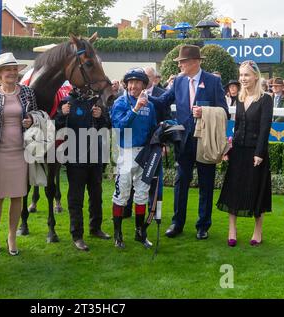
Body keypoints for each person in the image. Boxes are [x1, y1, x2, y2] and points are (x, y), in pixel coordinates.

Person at [150, 45, 228, 240]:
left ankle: (203, 226)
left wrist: (205, 113)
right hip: (183, 141)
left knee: (206, 183)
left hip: (205, 141)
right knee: (180, 182)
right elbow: (164, 101)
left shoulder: (213, 81)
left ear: (195, 62)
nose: (180, 65)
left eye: (182, 62)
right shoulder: (178, 81)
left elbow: (224, 111)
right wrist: (145, 97)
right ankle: (177, 223)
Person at [217, 60, 273, 247]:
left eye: (246, 75)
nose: (243, 78)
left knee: (257, 191)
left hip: (256, 154)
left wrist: (259, 153)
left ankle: (258, 231)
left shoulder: (266, 99)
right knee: (234, 189)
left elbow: (265, 129)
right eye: (241, 75)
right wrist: (228, 149)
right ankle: (232, 229)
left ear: (256, 76)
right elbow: (238, 127)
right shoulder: (240, 98)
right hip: (238, 151)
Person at [0, 53, 37, 256]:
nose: (12, 73)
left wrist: (31, 120)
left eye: (15, 69)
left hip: (20, 151)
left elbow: (36, 114)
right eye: (8, 69)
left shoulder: (27, 92)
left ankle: (11, 236)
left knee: (18, 195)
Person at [54, 91, 111, 251]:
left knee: (96, 195)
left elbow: (107, 126)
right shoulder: (67, 101)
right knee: (76, 198)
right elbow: (56, 127)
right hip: (75, 157)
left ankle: (96, 228)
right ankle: (77, 235)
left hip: (96, 157)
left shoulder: (98, 100)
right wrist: (61, 114)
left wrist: (100, 117)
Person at [111, 68, 157, 249]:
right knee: (121, 193)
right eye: (130, 82)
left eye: (137, 82)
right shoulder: (120, 103)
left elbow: (152, 128)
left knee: (142, 193)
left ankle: (140, 232)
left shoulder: (150, 105)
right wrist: (136, 108)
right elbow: (119, 126)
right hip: (126, 152)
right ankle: (118, 233)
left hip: (145, 153)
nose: (133, 86)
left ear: (144, 85)